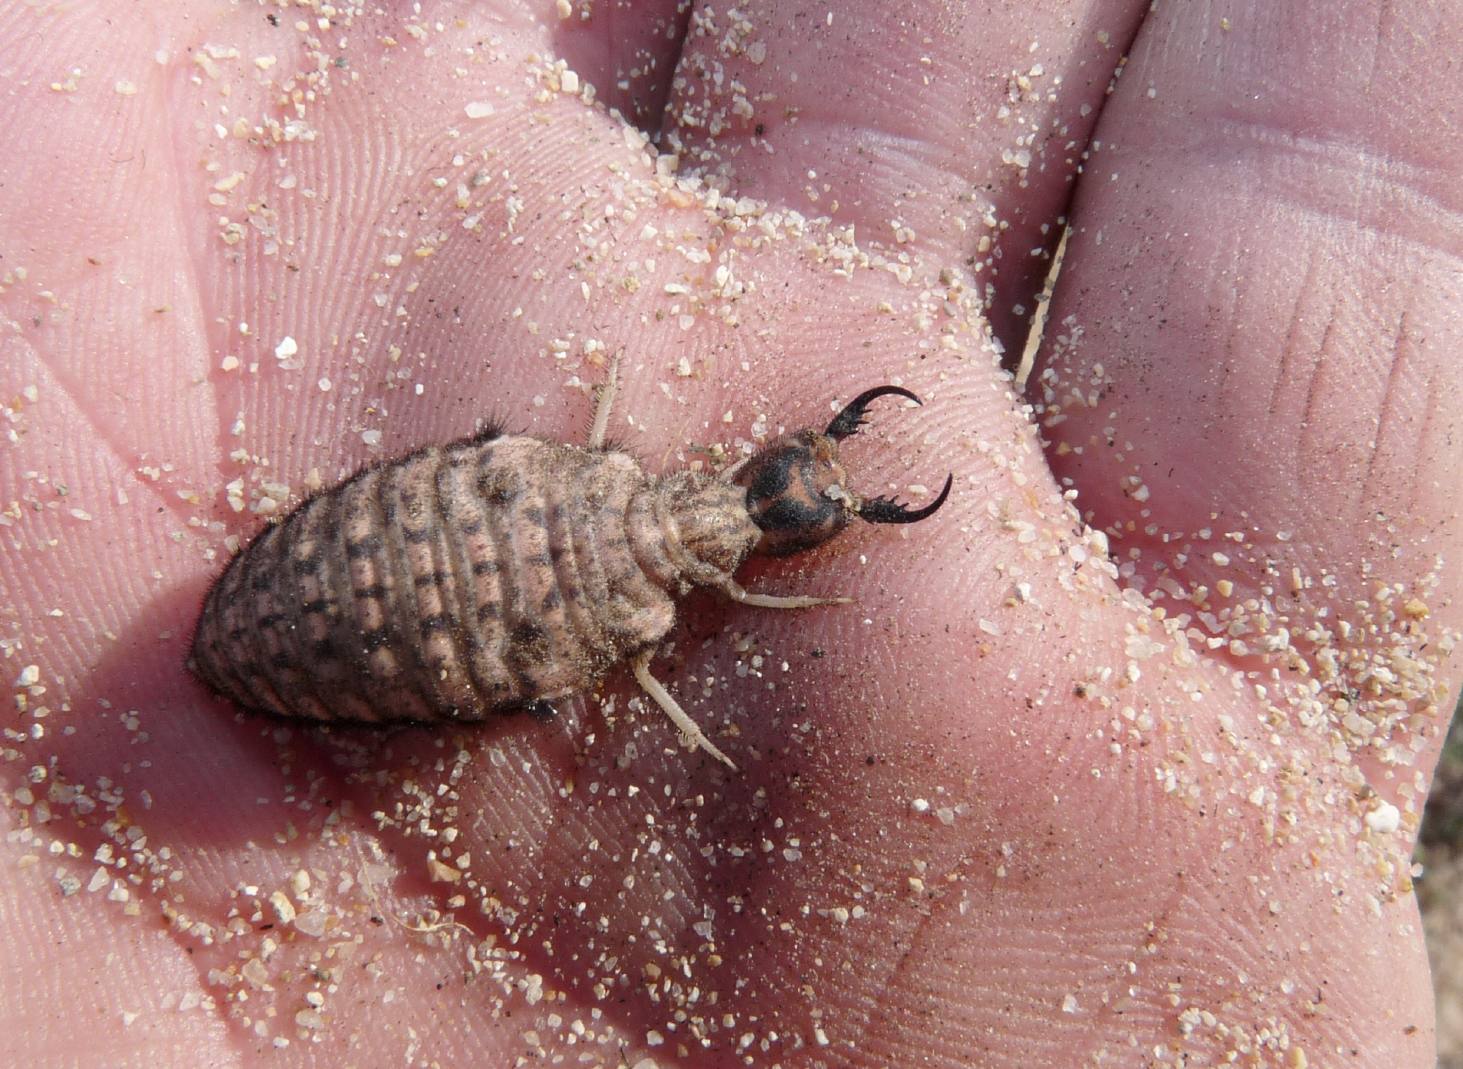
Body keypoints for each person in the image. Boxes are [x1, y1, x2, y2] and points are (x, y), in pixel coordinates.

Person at [1, 2, 1455, 1065]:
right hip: (341, 606)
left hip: (393, 586)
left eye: (800, 490)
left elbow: (475, 493)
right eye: (801, 469)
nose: (793, 478)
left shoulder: (597, 493)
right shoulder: (626, 576)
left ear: (771, 552)